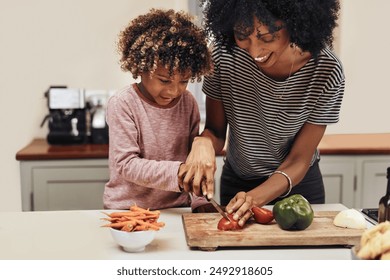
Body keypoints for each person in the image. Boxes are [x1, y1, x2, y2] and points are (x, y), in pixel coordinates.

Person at [178, 0, 345, 226]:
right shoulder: (223, 57)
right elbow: (216, 132)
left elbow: (299, 159)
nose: (255, 51)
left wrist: (255, 197)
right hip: (238, 183)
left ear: (295, 24)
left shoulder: (326, 70)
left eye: (267, 37)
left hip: (298, 188)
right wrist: (202, 143)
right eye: (242, 35)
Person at [103, 8, 213, 211]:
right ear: (140, 67)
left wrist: (200, 202)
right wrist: (179, 173)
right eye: (164, 80)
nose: (173, 91)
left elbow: (194, 161)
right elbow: (126, 164)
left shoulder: (188, 103)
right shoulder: (123, 104)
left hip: (176, 208)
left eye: (184, 81)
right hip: (128, 210)